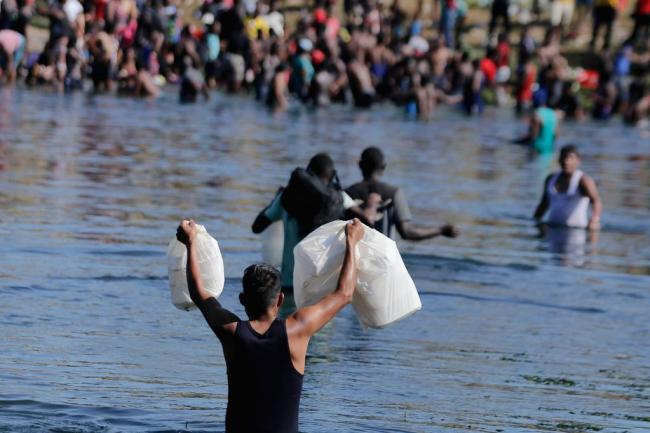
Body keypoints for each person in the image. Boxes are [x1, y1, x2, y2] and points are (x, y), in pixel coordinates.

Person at [176, 217, 364, 433]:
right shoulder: (298, 330)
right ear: (280, 300)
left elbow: (199, 294)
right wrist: (352, 240)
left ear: (242, 300)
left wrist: (191, 244)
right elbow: (344, 293)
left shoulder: (231, 332)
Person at [252, 153, 376, 292]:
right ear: (330, 176)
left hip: (290, 284)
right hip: (320, 285)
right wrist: (372, 204)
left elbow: (257, 227)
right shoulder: (338, 198)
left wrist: (275, 200)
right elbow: (367, 223)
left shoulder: (286, 196)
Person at [346, 147, 458, 241]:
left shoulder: (347, 194)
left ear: (360, 165)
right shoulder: (393, 193)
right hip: (385, 259)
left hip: (354, 257)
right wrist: (440, 230)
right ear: (384, 166)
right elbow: (408, 232)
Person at [533, 145, 602, 230]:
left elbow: (596, 201)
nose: (566, 161)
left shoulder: (583, 181)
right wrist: (535, 222)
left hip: (576, 232)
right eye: (564, 157)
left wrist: (595, 220)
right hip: (552, 229)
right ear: (559, 159)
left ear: (578, 161)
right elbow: (544, 204)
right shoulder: (550, 179)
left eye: (570, 158)